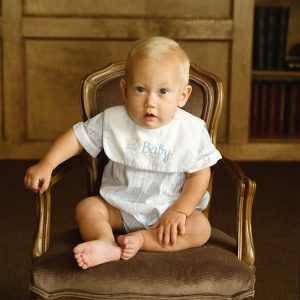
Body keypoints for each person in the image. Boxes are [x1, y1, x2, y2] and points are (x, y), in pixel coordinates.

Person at [24, 36, 222, 269]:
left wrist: (180, 211)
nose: (150, 102)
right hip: (119, 208)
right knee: (87, 208)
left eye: (163, 92)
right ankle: (105, 241)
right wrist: (47, 163)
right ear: (124, 89)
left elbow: (199, 175)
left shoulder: (191, 130)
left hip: (168, 213)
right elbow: (77, 138)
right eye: (140, 89)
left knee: (200, 229)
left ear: (183, 96)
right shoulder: (113, 120)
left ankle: (141, 240)